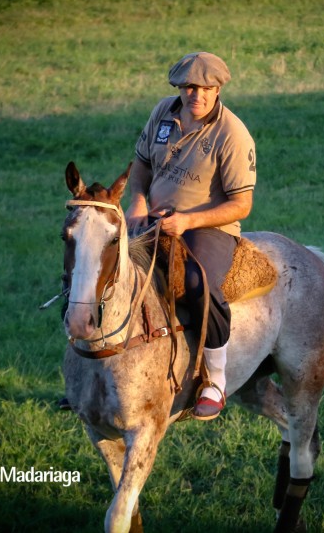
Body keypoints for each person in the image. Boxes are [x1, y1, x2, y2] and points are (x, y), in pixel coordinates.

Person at [127, 51, 256, 421]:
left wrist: (186, 221)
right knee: (97, 265)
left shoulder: (232, 133)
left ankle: (215, 380)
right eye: (188, 87)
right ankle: (92, 371)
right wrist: (136, 203)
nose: (195, 95)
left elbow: (241, 205)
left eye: (204, 88)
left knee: (198, 282)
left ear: (217, 90)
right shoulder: (162, 113)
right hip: (153, 219)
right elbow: (141, 165)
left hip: (208, 227)